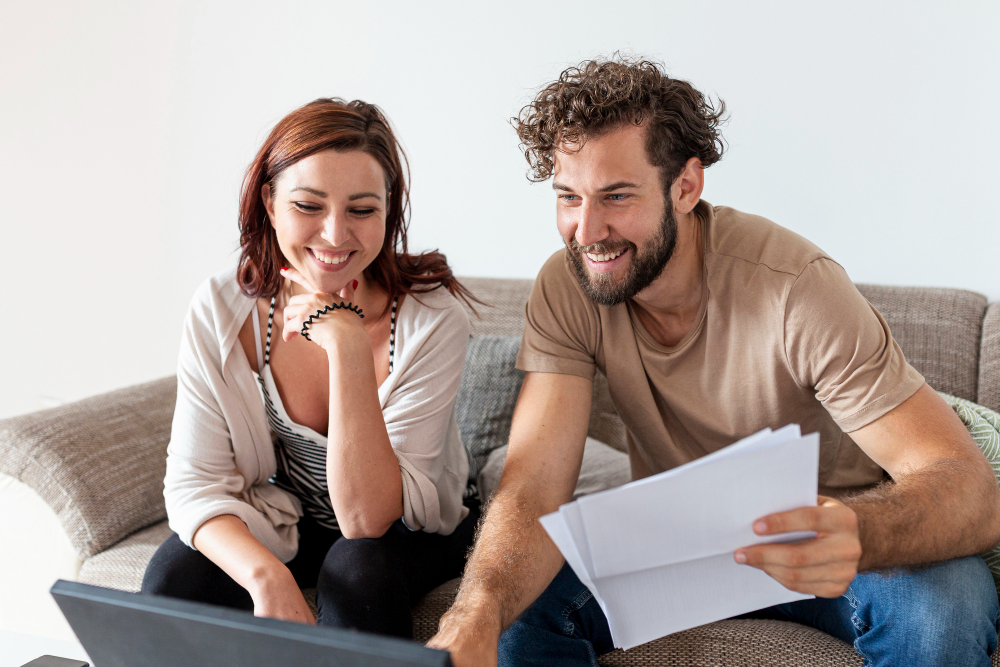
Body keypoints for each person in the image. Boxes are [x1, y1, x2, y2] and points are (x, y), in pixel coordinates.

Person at [429, 57, 1000, 666]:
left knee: (944, 613)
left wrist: (859, 532)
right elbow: (536, 482)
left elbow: (971, 490)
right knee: (514, 615)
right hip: (679, 540)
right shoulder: (568, 286)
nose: (586, 230)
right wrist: (475, 611)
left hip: (824, 540)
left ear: (686, 186)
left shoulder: (795, 288)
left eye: (616, 196)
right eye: (569, 197)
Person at [141, 97, 479, 639]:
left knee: (356, 570)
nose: (335, 234)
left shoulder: (433, 321)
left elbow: (368, 521)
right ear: (269, 203)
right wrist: (265, 576)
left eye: (363, 210)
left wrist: (345, 345)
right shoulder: (223, 309)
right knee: (175, 572)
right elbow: (194, 485)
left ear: (388, 214)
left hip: (410, 527)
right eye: (308, 206)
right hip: (294, 517)